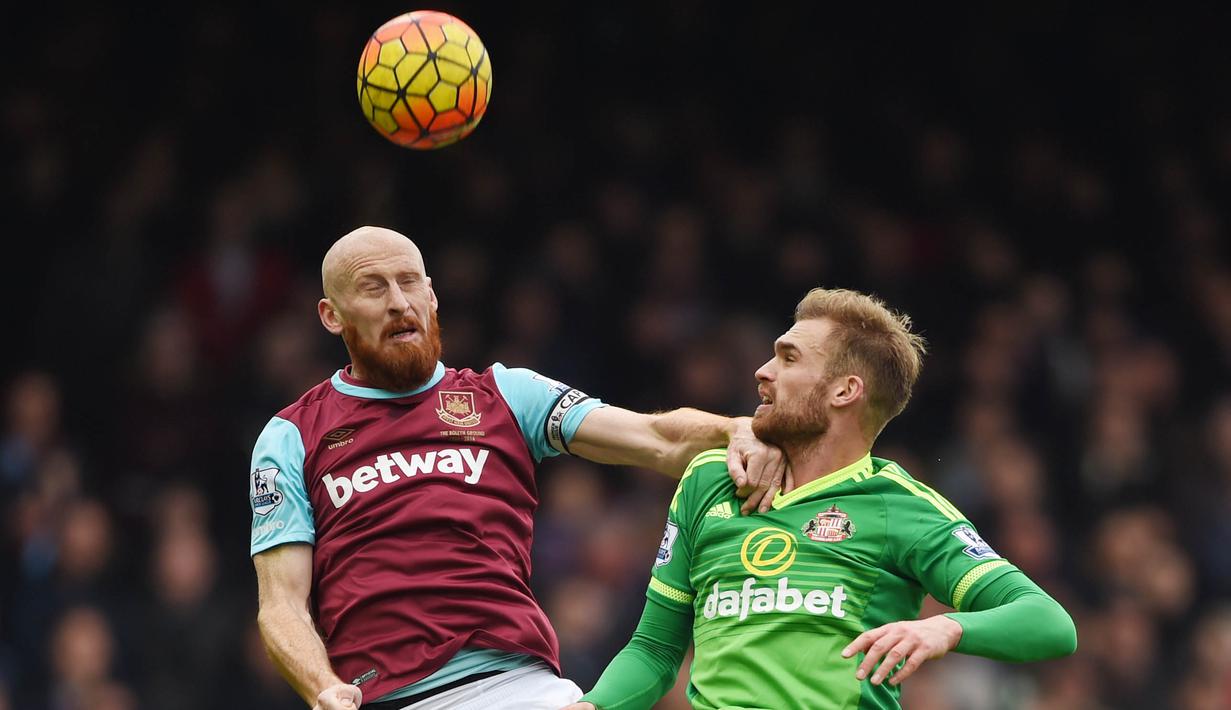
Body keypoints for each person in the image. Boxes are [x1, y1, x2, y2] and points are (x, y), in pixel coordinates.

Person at [249, 226, 785, 710]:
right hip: (385, 696)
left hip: (518, 685)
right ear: (331, 315)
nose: (398, 303)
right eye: (373, 288)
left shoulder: (505, 395)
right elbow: (281, 606)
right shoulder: (292, 435)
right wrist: (322, 687)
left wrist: (735, 429)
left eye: (410, 283)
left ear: (432, 295)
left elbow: (655, 438)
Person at [566, 288, 1077, 710]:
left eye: (788, 359)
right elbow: (655, 650)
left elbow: (1049, 623)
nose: (762, 371)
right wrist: (592, 707)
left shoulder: (899, 505)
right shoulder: (711, 479)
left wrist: (944, 628)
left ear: (844, 391)